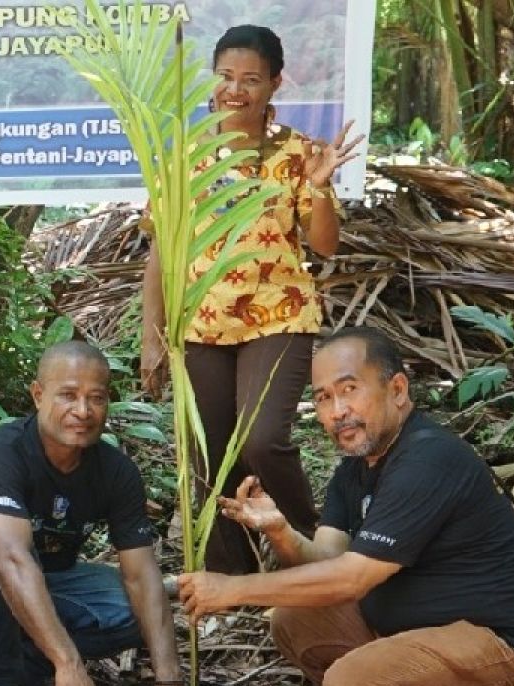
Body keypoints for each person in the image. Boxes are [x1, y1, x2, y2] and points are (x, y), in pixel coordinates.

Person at [179, 326, 514, 686]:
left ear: (397, 390)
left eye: (349, 389)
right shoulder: (354, 471)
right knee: (294, 621)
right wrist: (280, 530)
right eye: (322, 398)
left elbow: (354, 577)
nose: (336, 411)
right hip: (422, 644)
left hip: (511, 656)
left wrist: (234, 588)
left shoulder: (428, 457)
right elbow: (326, 560)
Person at [141, 24, 364, 575]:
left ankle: (310, 555)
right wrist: (153, 335)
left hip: (279, 316)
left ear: (275, 83)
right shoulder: (185, 157)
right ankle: (230, 578)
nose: (235, 90)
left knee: (263, 440)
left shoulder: (297, 152)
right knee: (208, 456)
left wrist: (318, 187)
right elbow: (162, 255)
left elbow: (324, 246)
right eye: (225, 77)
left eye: (250, 79)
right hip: (200, 323)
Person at [0, 341, 187, 686]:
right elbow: (10, 561)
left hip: (49, 580)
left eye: (97, 398)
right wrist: (70, 662)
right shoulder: (2, 452)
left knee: (133, 611)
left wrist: (169, 678)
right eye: (68, 395)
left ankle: (27, 661)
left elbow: (142, 575)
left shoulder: (115, 471)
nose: (83, 412)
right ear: (38, 395)